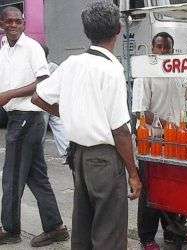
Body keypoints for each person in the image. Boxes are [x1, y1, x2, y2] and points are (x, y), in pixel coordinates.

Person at [31, 1, 142, 249]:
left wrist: (67, 112)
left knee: (83, 223)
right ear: (119, 29)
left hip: (78, 155)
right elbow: (120, 130)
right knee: (109, 231)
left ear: (86, 31)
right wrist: (133, 173)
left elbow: (38, 97)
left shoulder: (72, 63)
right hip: (104, 159)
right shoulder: (111, 69)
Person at [0, 6, 69, 247]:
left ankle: (10, 229)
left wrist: (9, 94)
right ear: (2, 24)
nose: (13, 25)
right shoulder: (4, 50)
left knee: (11, 176)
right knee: (35, 176)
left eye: (17, 21)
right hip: (17, 116)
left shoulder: (31, 47)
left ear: (24, 23)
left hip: (28, 117)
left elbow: (43, 81)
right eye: (8, 22)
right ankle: (55, 227)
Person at [132, 32, 187, 250]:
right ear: (152, 48)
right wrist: (169, 126)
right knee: (151, 191)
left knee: (173, 188)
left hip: (176, 142)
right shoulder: (145, 75)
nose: (163, 52)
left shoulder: (177, 73)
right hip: (152, 140)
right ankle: (146, 238)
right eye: (159, 47)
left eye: (167, 48)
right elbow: (140, 112)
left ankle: (173, 230)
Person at [41, 44, 69, 159]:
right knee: (60, 128)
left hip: (41, 104)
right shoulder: (54, 67)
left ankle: (37, 156)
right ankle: (67, 153)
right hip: (55, 102)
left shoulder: (36, 69)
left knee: (40, 132)